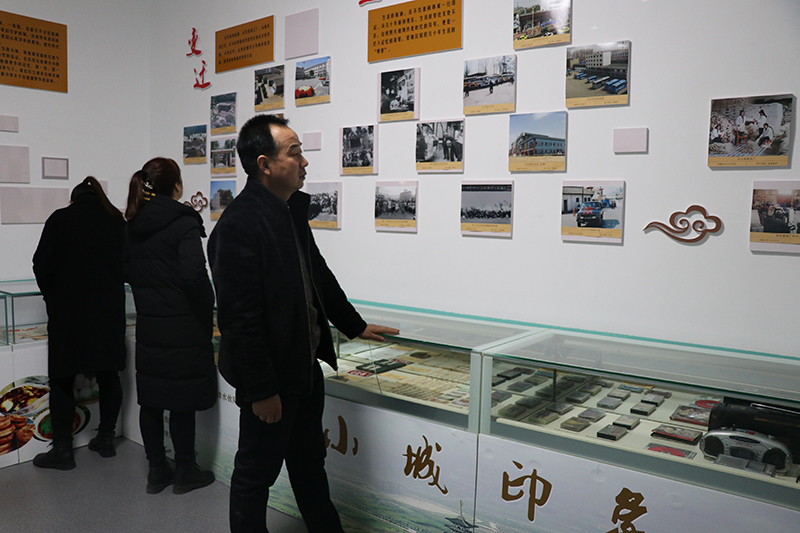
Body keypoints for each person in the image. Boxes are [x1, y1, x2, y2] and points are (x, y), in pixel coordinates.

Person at [208, 114, 398, 533]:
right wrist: (262, 391)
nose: (305, 162)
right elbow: (240, 320)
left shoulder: (288, 211)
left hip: (303, 371)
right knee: (256, 474)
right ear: (265, 164)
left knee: (310, 464)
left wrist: (354, 325)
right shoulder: (238, 226)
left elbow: (317, 276)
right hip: (271, 381)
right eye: (294, 153)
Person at [124, 157, 217, 495]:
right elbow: (194, 276)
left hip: (150, 326)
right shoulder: (184, 221)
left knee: (151, 400)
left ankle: (156, 470)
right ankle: (185, 470)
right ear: (176, 186)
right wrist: (209, 305)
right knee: (182, 401)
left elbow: (126, 272)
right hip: (183, 327)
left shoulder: (133, 223)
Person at [32, 177, 126, 470]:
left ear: (73, 200)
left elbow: (41, 264)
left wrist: (53, 297)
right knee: (109, 375)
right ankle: (106, 439)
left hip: (67, 314)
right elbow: (127, 267)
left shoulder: (60, 219)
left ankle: (63, 450)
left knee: (62, 379)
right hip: (108, 313)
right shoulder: (116, 222)